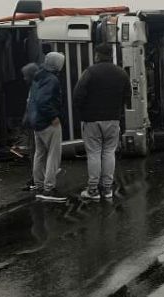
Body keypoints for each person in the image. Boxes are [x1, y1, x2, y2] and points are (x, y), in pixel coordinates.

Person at [73, 44, 132, 201]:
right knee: (108, 153)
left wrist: (82, 112)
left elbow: (78, 95)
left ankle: (93, 190)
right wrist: (119, 111)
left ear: (98, 55)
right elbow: (128, 96)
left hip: (91, 120)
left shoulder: (90, 72)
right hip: (113, 119)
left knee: (93, 153)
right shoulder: (121, 73)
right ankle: (107, 189)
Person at [26, 52, 67, 203]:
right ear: (56, 64)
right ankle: (48, 189)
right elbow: (44, 101)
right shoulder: (52, 79)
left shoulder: (38, 76)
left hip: (37, 122)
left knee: (40, 154)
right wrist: (53, 117)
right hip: (48, 122)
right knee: (53, 155)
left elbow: (33, 100)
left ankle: (38, 184)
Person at [21, 63, 40, 191]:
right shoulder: (38, 85)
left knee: (36, 153)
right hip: (34, 124)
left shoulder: (35, 87)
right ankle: (36, 178)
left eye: (25, 76)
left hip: (35, 125)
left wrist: (27, 120)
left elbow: (32, 107)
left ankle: (37, 179)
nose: (24, 79)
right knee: (35, 152)